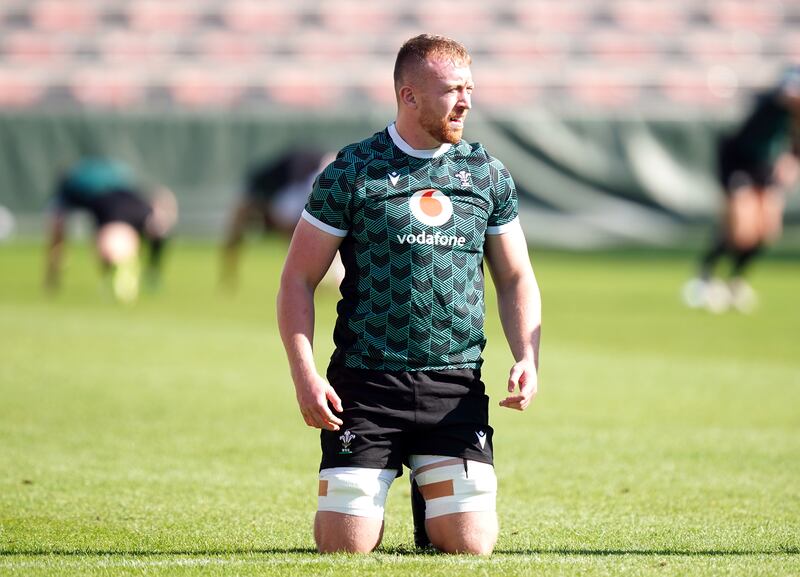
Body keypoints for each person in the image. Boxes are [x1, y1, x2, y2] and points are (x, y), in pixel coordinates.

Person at [277, 34, 541, 555]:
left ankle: (433, 488)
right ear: (409, 96)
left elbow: (515, 277)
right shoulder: (353, 171)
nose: (465, 101)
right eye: (450, 90)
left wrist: (527, 355)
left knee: (469, 547)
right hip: (365, 390)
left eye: (469, 88)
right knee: (343, 549)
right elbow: (297, 279)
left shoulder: (486, 174)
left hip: (454, 388)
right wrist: (304, 375)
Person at [683, 66, 800, 313]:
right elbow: (781, 97)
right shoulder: (769, 103)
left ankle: (735, 281)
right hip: (738, 164)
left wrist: (792, 161)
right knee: (741, 229)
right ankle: (705, 276)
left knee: (767, 230)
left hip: (765, 167)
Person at [45, 157, 177, 304]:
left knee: (109, 247)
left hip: (112, 209)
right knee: (154, 229)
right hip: (135, 201)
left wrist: (53, 274)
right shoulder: (106, 172)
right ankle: (148, 269)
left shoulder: (68, 189)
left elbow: (57, 235)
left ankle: (123, 267)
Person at [221, 148, 340, 289]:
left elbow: (236, 227)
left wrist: (228, 271)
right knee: (321, 231)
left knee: (301, 228)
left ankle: (325, 276)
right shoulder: (270, 188)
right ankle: (323, 275)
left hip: (321, 170)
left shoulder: (257, 190)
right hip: (335, 164)